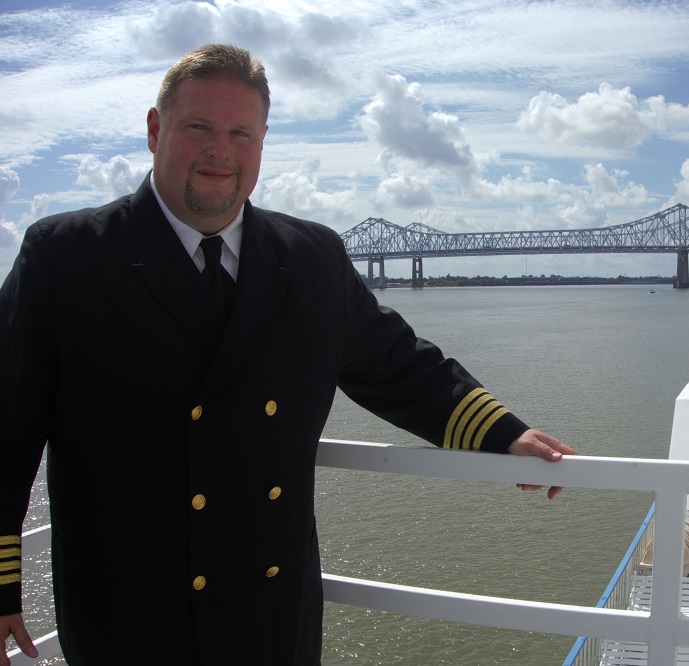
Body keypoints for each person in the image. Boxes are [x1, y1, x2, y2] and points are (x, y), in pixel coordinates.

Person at [0, 44, 575, 666]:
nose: (221, 149)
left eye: (241, 132)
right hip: (130, 618)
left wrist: (504, 433)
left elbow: (399, 365)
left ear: (263, 141)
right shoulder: (66, 257)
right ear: (155, 129)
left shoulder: (312, 257)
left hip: (272, 615)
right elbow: (6, 428)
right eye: (199, 127)